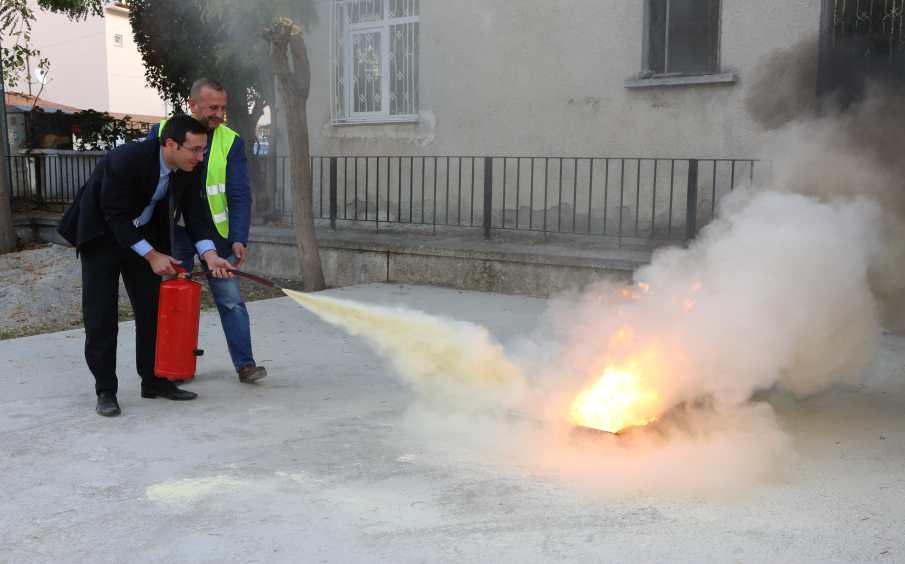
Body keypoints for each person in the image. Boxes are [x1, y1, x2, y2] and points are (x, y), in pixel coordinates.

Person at [57, 114, 236, 417]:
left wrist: (209, 254)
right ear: (170, 144)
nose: (201, 156)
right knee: (101, 315)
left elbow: (196, 215)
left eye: (203, 149)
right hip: (101, 235)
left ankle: (154, 381)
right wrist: (152, 256)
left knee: (153, 309)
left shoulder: (188, 166)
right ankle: (105, 390)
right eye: (194, 149)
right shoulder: (126, 159)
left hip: (142, 235)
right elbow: (115, 215)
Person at [148, 78, 266, 384]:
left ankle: (246, 364)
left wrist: (239, 237)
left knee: (230, 300)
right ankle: (173, 368)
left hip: (215, 235)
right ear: (193, 105)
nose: (219, 114)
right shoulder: (162, 133)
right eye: (213, 107)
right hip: (174, 233)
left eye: (223, 108)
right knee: (173, 301)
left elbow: (239, 193)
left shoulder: (231, 140)